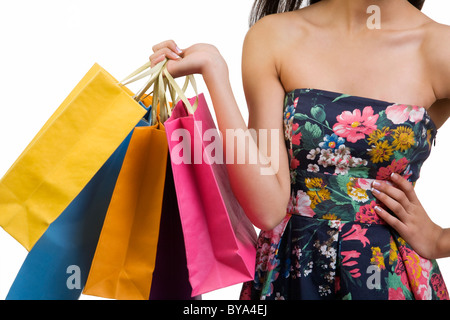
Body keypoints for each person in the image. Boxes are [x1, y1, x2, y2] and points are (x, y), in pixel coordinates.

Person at [149, 0, 450, 300]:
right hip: (289, 275)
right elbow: (267, 210)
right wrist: (215, 73)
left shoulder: (440, 47)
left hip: (389, 277)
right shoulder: (274, 36)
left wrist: (439, 239)